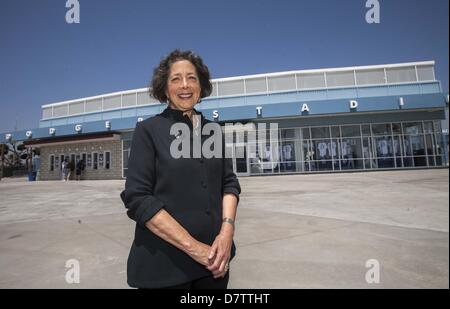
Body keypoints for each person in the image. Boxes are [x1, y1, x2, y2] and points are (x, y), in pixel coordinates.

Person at [120, 49, 241, 289]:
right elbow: (138, 198)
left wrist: (227, 232)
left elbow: (229, 183)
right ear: (165, 89)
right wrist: (194, 248)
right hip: (164, 269)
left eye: (192, 78)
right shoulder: (148, 131)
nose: (185, 85)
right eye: (176, 79)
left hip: (215, 264)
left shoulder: (213, 131)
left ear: (201, 86)